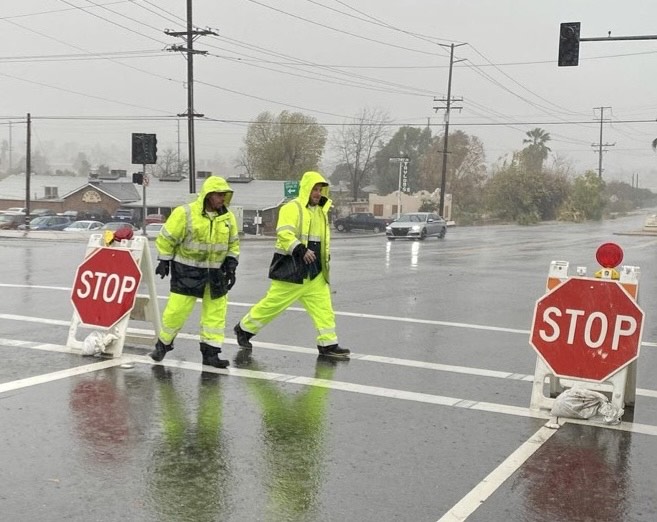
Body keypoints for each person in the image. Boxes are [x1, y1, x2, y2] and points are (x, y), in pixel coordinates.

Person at [234, 170, 350, 359]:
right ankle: (244, 329)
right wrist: (300, 249)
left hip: (315, 272)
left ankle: (328, 344)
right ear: (306, 189)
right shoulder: (292, 208)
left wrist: (324, 261)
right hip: (292, 269)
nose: (318, 193)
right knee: (272, 305)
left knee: (324, 309)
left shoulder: (321, 212)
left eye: (320, 190)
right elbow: (284, 233)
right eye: (314, 189)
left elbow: (322, 241)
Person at [150, 175, 240, 368]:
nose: (223, 199)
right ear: (208, 195)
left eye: (225, 195)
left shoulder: (228, 217)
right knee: (176, 312)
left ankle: (211, 354)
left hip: (216, 273)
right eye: (219, 195)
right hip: (187, 271)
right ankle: (163, 345)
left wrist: (231, 266)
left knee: (215, 315)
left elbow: (233, 243)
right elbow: (167, 237)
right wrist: (164, 260)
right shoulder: (185, 213)